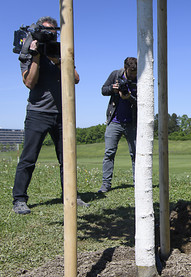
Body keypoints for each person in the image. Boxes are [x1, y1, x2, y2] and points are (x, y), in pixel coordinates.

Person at [12, 16, 88, 215]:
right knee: (28, 158)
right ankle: (19, 199)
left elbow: (76, 79)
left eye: (53, 31)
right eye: (46, 31)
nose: (50, 34)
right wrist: (36, 57)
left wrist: (58, 61)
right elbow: (29, 82)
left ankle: (71, 196)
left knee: (68, 159)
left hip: (64, 115)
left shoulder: (62, 49)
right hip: (38, 113)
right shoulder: (28, 50)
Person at [98, 57, 137, 193]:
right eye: (131, 73)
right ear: (125, 68)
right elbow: (103, 90)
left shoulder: (141, 79)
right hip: (114, 121)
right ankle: (106, 184)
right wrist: (113, 89)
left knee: (136, 154)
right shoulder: (115, 74)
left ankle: (137, 183)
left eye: (135, 73)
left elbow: (143, 102)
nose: (133, 76)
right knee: (109, 153)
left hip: (132, 122)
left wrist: (129, 98)